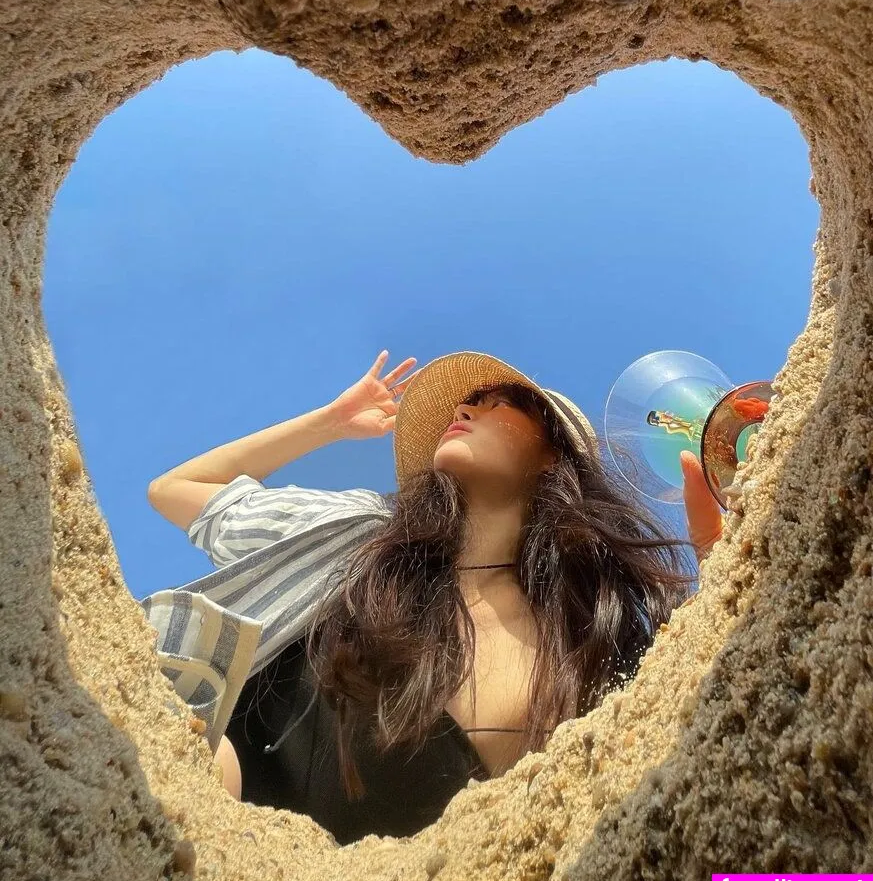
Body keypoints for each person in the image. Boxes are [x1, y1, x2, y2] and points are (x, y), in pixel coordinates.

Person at [142, 350, 722, 844]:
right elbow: (176, 490)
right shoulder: (359, 538)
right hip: (209, 840)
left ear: (553, 454)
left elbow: (729, 860)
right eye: (466, 402)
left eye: (500, 403)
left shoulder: (598, 637)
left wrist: (730, 582)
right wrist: (330, 423)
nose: (464, 409)